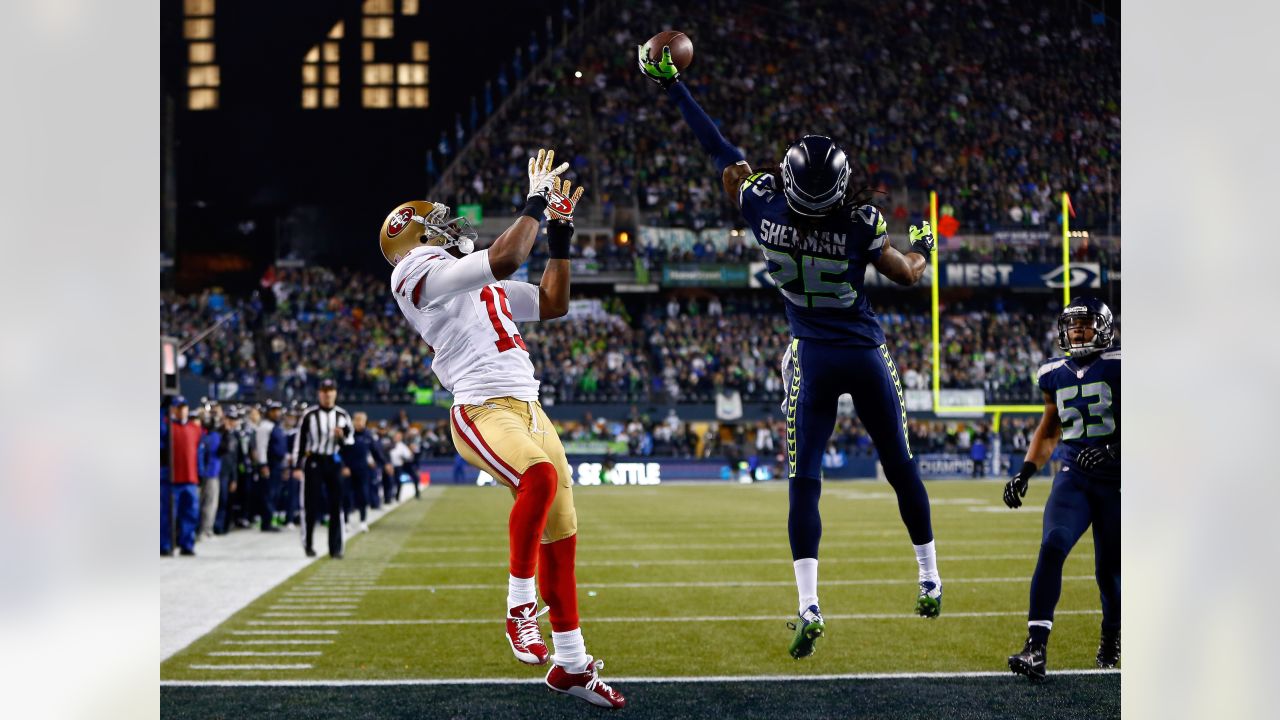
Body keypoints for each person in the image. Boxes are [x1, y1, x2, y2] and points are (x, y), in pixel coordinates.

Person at [639, 43, 943, 659]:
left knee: (805, 483)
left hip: (811, 355)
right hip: (863, 350)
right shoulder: (861, 225)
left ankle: (808, 603)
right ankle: (930, 577)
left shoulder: (760, 206)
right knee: (900, 464)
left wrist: (673, 86)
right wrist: (927, 245)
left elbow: (719, 149)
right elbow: (908, 274)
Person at [379, 149, 624, 708]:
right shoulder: (414, 273)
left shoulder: (472, 283)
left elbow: (554, 302)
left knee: (562, 538)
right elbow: (509, 257)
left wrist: (559, 232)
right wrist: (536, 200)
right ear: (411, 241)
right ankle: (518, 606)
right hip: (480, 409)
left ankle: (571, 664)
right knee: (537, 479)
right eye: (434, 224)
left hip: (532, 409)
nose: (449, 227)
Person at [1004, 297, 1120, 680]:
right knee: (1053, 544)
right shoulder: (1053, 372)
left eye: (1086, 324)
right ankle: (1035, 648)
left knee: (1109, 573)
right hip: (1073, 477)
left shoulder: (1122, 365)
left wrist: (1113, 451)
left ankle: (1110, 636)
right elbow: (1050, 429)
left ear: (1103, 328)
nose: (1078, 331)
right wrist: (1024, 472)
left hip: (1118, 483)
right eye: (1073, 325)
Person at [293, 379, 355, 558]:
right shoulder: (309, 414)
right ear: (319, 393)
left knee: (336, 505)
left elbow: (350, 441)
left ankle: (335, 548)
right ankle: (308, 544)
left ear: (335, 393)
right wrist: (297, 466)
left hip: (333, 461)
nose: (327, 394)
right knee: (310, 504)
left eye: (330, 390)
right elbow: (300, 441)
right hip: (314, 460)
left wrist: (341, 437)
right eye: (324, 390)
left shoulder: (342, 415)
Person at [340, 411, 390, 533]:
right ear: (352, 420)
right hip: (348, 470)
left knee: (363, 496)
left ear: (365, 421)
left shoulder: (368, 435)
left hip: (363, 470)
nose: (359, 422)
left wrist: (385, 464)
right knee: (346, 496)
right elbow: (338, 452)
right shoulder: (346, 434)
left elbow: (375, 452)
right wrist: (342, 466)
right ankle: (346, 521)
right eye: (356, 419)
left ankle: (363, 521)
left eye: (361, 420)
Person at [164, 396, 202, 556]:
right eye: (177, 407)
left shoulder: (195, 428)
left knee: (191, 513)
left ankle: (187, 544)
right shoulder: (167, 427)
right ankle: (165, 544)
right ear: (172, 409)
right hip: (172, 479)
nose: (181, 411)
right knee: (168, 514)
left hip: (190, 478)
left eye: (184, 407)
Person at [256, 402, 287, 532]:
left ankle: (270, 520)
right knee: (268, 493)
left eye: (278, 410)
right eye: (274, 410)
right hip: (270, 464)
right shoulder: (265, 426)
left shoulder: (277, 426)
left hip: (278, 464)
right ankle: (266, 522)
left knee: (275, 493)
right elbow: (261, 446)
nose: (277, 413)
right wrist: (263, 464)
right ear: (268, 412)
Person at [197, 405, 223, 540]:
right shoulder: (210, 436)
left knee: (210, 503)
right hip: (210, 473)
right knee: (209, 504)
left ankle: (207, 529)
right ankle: (205, 530)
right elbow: (204, 455)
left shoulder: (211, 435)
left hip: (212, 472)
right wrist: (202, 472)